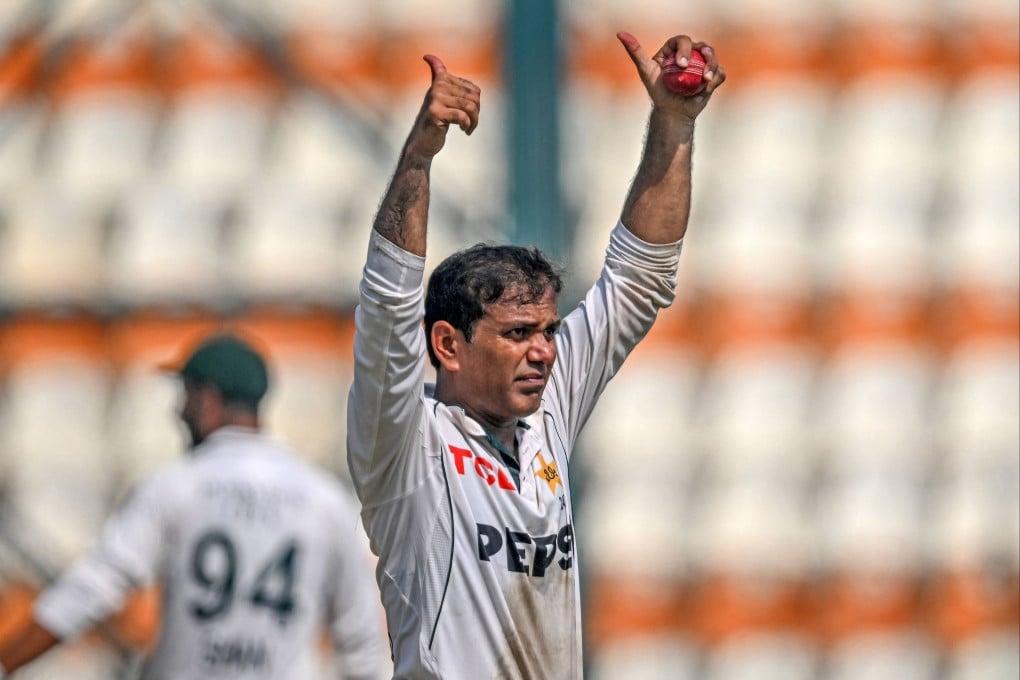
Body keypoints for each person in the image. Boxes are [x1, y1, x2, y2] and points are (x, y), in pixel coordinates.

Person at [346, 30, 725, 679]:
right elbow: (386, 306)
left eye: (548, 330)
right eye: (518, 333)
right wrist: (418, 158)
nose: (546, 352)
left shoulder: (544, 411)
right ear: (447, 344)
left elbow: (640, 280)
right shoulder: (405, 441)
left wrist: (674, 124)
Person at [0, 333, 389, 679]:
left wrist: (6, 661)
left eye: (185, 395)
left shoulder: (173, 487)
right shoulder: (325, 500)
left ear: (208, 400)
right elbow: (359, 644)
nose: (178, 411)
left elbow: (91, 589)